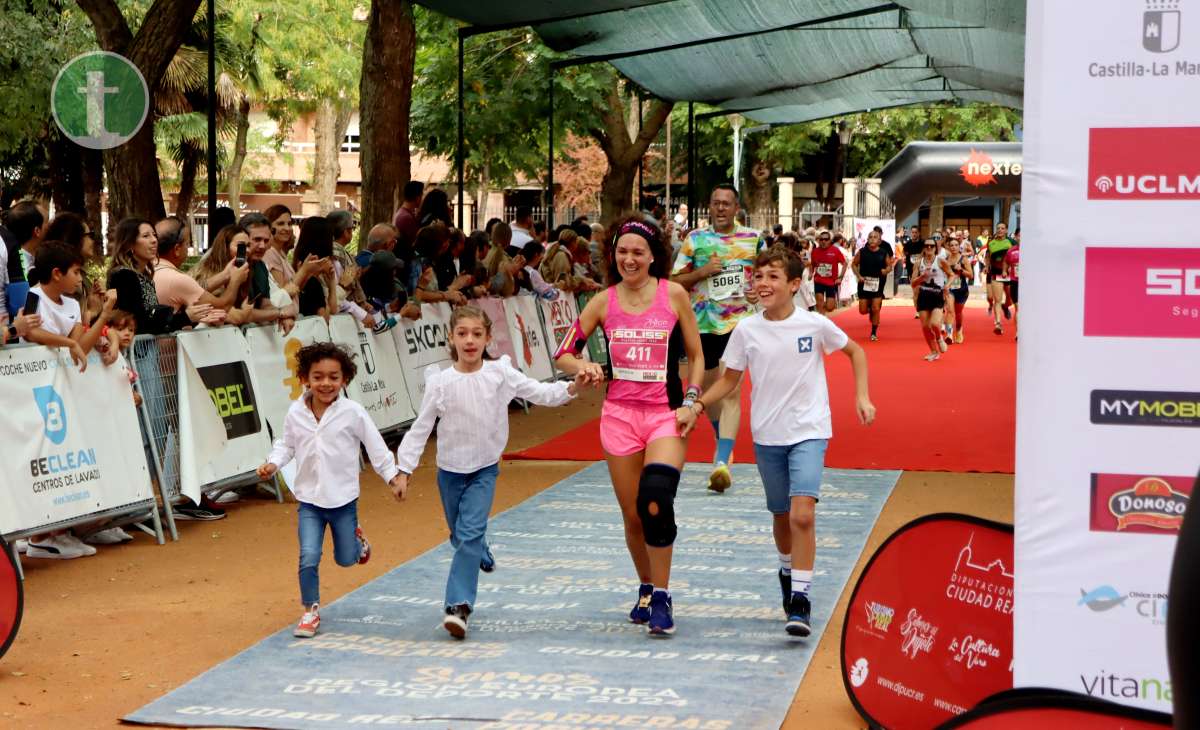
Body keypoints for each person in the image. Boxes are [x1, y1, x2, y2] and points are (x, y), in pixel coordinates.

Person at [679, 247, 874, 636]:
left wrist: (862, 396)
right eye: (759, 277)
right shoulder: (747, 331)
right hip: (768, 434)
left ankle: (800, 600)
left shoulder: (814, 325)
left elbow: (855, 352)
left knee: (803, 514)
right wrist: (697, 405)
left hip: (810, 430)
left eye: (772, 277)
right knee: (782, 516)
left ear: (794, 284)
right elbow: (730, 381)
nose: (763, 284)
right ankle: (787, 570)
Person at [393, 305, 593, 638]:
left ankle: (459, 605)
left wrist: (572, 387)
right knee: (462, 536)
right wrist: (404, 471)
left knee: (468, 535)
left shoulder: (501, 373)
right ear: (451, 338)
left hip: (484, 469)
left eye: (476, 334)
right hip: (449, 472)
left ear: (488, 337)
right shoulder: (440, 383)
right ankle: (479, 547)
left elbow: (540, 392)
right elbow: (420, 428)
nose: (469, 341)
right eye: (462, 334)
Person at [555, 216, 705, 636]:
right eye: (623, 251)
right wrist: (583, 365)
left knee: (655, 498)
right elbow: (564, 352)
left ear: (654, 255)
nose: (629, 259)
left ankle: (662, 595)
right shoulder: (603, 301)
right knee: (634, 516)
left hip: (665, 415)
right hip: (619, 417)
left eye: (638, 251)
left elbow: (696, 357)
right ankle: (644, 585)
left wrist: (692, 401)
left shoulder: (673, 294)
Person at [256, 342, 404, 639]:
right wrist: (273, 464)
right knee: (308, 555)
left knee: (345, 559)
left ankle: (356, 541)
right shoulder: (296, 412)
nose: (326, 383)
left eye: (333, 377)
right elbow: (286, 445)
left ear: (344, 379)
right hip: (309, 500)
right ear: (305, 379)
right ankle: (310, 611)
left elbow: (376, 448)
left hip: (343, 500)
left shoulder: (353, 412)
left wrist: (393, 478)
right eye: (318, 376)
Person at [21, 242, 115, 559]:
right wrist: (67, 342)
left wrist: (102, 319)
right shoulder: (33, 296)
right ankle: (36, 535)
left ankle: (58, 531)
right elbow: (33, 336)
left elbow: (79, 345)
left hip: (65, 394)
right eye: (76, 272)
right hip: (32, 394)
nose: (80, 278)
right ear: (57, 273)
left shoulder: (74, 303)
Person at [670, 184, 762, 493]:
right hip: (703, 325)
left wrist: (756, 292)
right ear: (709, 206)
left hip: (739, 325)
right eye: (715, 203)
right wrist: (702, 272)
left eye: (726, 203)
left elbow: (765, 277)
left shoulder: (752, 239)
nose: (720, 208)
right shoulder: (695, 239)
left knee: (732, 391)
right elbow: (674, 280)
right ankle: (721, 436)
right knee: (708, 396)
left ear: (737, 208)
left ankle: (721, 462)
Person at [108, 218, 224, 333]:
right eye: (146, 236)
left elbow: (154, 322)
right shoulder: (125, 276)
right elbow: (139, 323)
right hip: (133, 350)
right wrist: (185, 318)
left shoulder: (144, 275)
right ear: (130, 244)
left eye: (154, 235)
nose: (154, 240)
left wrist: (193, 319)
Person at [154, 215, 247, 315]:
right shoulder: (176, 278)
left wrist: (225, 275)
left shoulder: (150, 269)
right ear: (177, 249)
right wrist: (235, 281)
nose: (188, 248)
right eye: (187, 244)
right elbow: (222, 307)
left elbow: (194, 288)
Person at [3, 200, 45, 317]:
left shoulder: (37, 258)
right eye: (47, 221)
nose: (50, 224)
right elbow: (20, 308)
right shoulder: (15, 264)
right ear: (37, 231)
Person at [851, 228, 894, 341]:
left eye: (875, 237)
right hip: (864, 283)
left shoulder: (883, 253)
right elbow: (854, 264)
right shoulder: (862, 251)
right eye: (870, 237)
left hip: (877, 283)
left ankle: (874, 332)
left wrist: (886, 270)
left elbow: (889, 266)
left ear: (879, 240)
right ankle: (870, 310)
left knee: (876, 308)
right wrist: (858, 276)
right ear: (867, 239)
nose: (872, 239)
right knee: (862, 310)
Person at [913, 239, 951, 361]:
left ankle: (939, 339)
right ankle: (934, 352)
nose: (929, 248)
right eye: (926, 246)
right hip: (923, 296)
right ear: (923, 248)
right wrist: (922, 277)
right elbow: (913, 283)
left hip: (937, 296)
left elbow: (951, 274)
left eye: (932, 246)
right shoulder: (918, 263)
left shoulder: (940, 261)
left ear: (936, 248)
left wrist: (947, 285)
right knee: (925, 327)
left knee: (935, 323)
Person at [809, 229, 846, 316]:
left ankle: (824, 310)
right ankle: (822, 321)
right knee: (819, 303)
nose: (823, 241)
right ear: (819, 240)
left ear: (830, 241)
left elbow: (845, 263)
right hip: (819, 281)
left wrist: (840, 277)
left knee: (830, 307)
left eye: (826, 239)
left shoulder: (835, 251)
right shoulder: (815, 251)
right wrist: (811, 273)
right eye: (821, 239)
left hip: (831, 282)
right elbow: (812, 264)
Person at [986, 223, 1014, 335]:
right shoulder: (991, 243)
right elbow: (988, 255)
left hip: (1009, 274)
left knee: (1010, 299)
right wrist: (986, 265)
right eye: (998, 228)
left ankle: (1006, 306)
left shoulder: (1011, 242)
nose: (1000, 230)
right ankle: (998, 323)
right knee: (997, 299)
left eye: (1002, 228)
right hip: (995, 273)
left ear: (1006, 230)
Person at [944, 238, 972, 344]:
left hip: (962, 289)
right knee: (950, 311)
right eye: (951, 245)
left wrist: (961, 270)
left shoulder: (963, 259)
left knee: (958, 312)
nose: (954, 247)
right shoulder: (946, 260)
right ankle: (949, 335)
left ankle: (959, 330)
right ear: (948, 247)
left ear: (959, 246)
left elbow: (971, 275)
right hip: (950, 289)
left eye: (956, 245)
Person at [262, 204, 296, 288]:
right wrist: (305, 271)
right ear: (269, 227)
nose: (287, 228)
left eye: (289, 223)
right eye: (281, 224)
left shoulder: (280, 252)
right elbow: (282, 295)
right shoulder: (269, 253)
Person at [392, 181, 424, 250]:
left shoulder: (404, 213)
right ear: (417, 197)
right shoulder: (406, 217)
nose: (422, 199)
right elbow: (416, 241)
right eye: (421, 195)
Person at [1004, 231, 1020, 340]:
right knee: (1018, 308)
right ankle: (1019, 332)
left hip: (1030, 284)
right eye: (1019, 236)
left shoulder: (1034, 250)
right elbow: (1006, 261)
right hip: (1015, 282)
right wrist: (1005, 270)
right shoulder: (1012, 251)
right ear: (1016, 237)